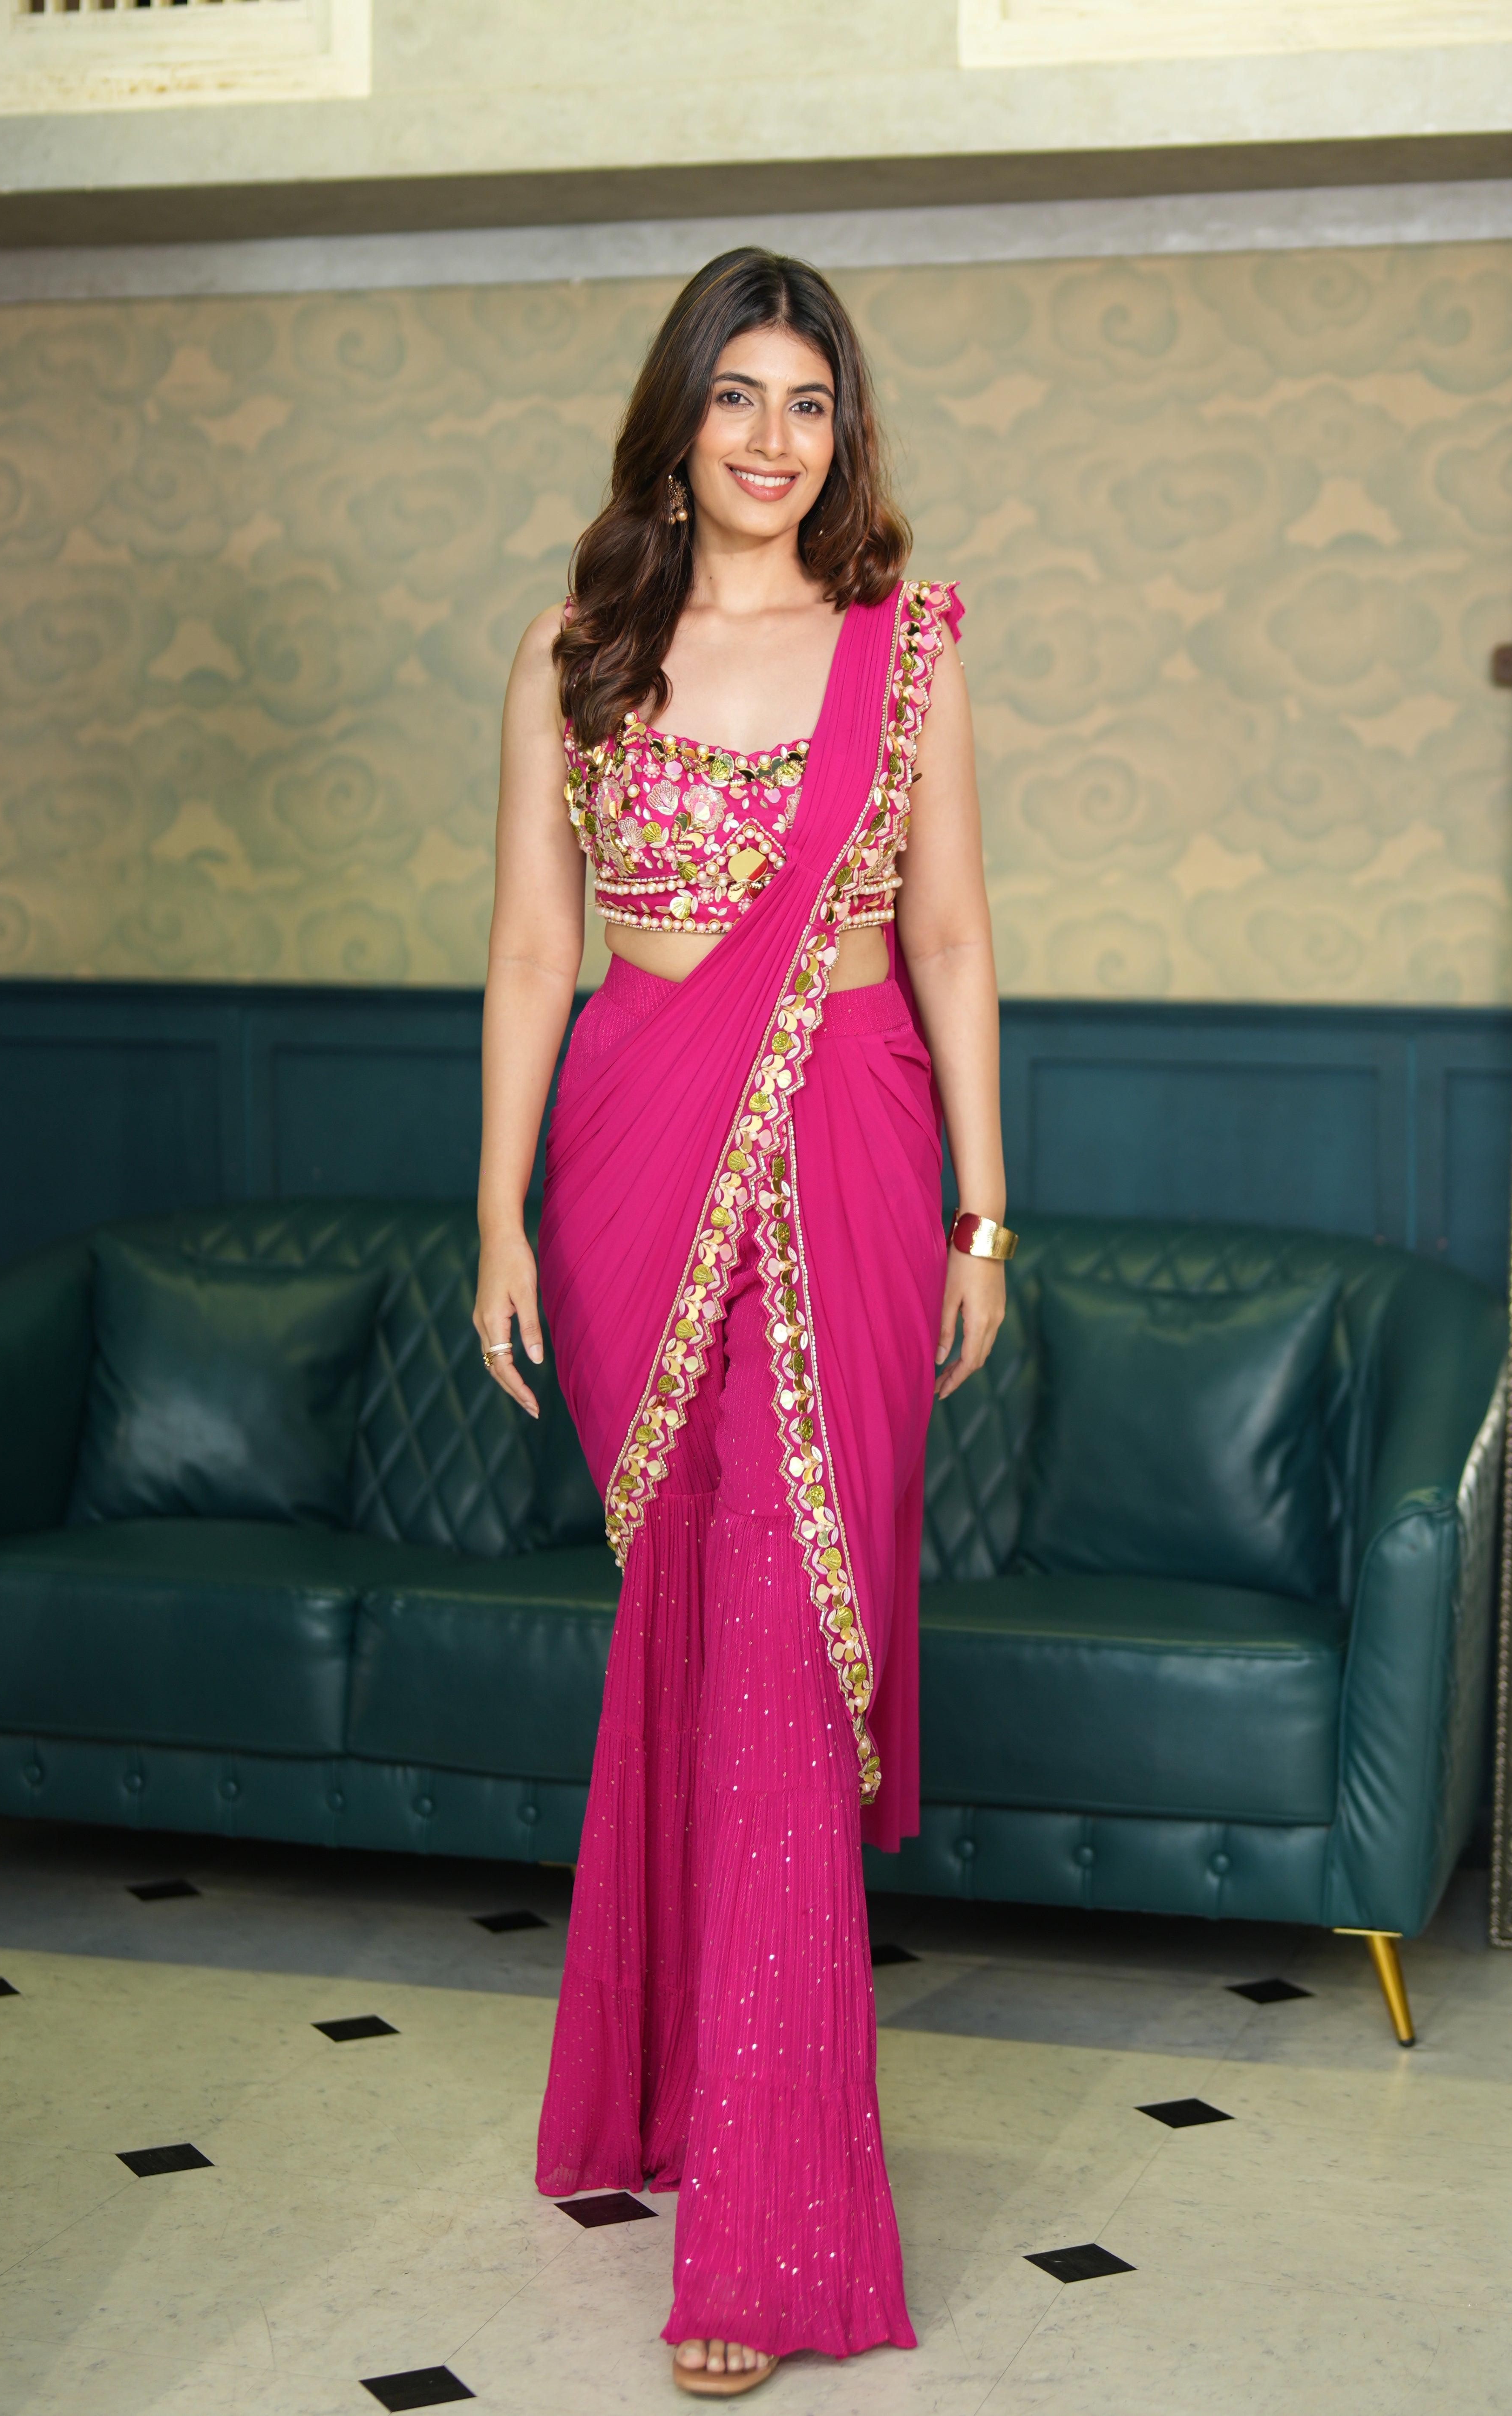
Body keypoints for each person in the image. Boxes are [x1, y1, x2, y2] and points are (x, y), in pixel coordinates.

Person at [474, 247, 1011, 2397]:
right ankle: (664, 2100)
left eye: (811, 402)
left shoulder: (912, 644)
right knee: (688, 1623)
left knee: (788, 1643)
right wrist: (495, 1210)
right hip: (626, 1162)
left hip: (860, 1163)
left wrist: (987, 1210)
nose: (776, 439)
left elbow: (954, 935)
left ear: (839, 433)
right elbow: (534, 946)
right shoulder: (577, 648)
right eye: (740, 397)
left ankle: (770, 2237)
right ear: (677, 417)